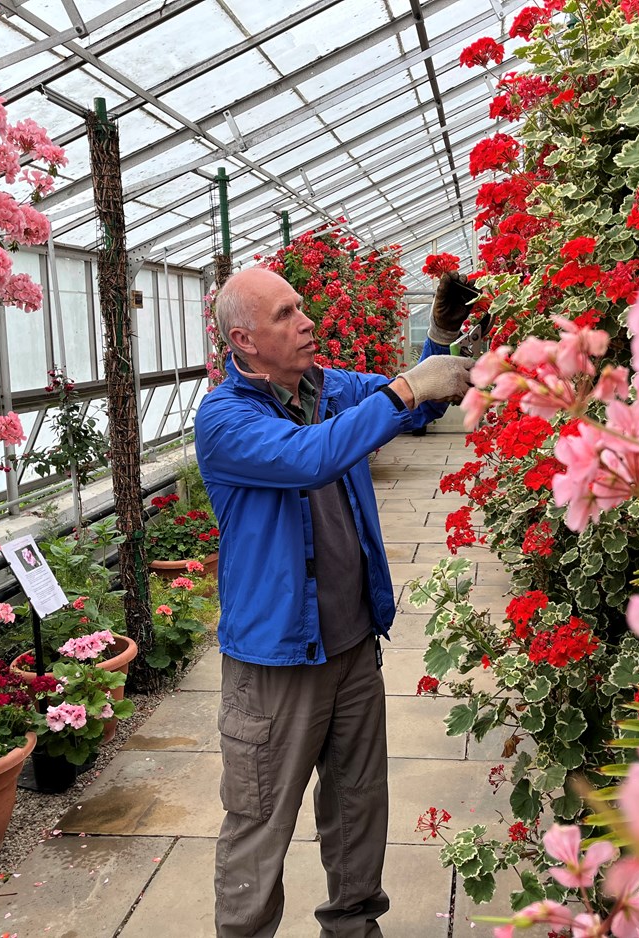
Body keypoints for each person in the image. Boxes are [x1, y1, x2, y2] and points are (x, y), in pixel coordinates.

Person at [193, 266, 476, 937]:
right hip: (276, 665)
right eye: (288, 313)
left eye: (303, 307)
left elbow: (412, 402)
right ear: (245, 339)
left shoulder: (326, 387)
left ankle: (354, 927)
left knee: (357, 808)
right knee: (259, 820)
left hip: (351, 648)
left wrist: (438, 340)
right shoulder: (226, 419)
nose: (307, 321)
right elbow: (310, 457)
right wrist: (406, 388)